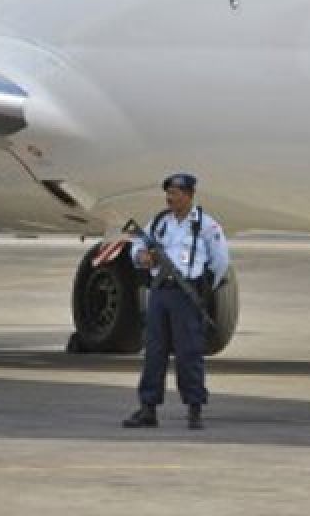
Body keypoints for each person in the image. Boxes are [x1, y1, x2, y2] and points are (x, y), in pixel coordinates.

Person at [123, 173, 229, 430]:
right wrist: (142, 258)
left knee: (189, 353)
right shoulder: (159, 222)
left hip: (187, 294)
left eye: (176, 193)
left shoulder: (205, 225)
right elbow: (136, 245)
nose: (171, 197)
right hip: (160, 292)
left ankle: (194, 409)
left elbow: (220, 262)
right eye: (169, 192)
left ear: (190, 196)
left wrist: (202, 289)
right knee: (154, 352)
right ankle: (148, 408)